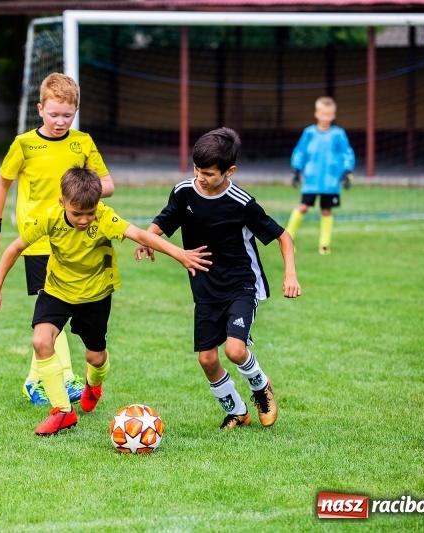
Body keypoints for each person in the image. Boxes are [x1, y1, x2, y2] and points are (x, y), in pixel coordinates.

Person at [0, 165, 211, 435]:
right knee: (41, 341)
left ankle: (94, 384)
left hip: (95, 295)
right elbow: (16, 247)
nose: (84, 220)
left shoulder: (104, 218)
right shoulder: (50, 218)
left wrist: (180, 254)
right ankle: (62, 412)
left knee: (95, 356)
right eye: (77, 213)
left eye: (89, 213)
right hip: (57, 290)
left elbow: (139, 234)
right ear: (62, 202)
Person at [135, 128, 301, 430]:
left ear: (230, 171)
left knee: (235, 350)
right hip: (205, 288)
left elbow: (283, 236)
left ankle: (261, 387)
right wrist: (148, 239)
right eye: (197, 169)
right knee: (207, 360)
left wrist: (290, 274)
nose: (200, 177)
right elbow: (164, 219)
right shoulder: (184, 191)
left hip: (241, 284)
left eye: (209, 173)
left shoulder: (241, 202)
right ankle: (237, 411)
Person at [0, 73, 115, 405]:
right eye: (54, 114)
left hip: (74, 242)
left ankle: (35, 379)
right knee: (50, 309)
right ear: (40, 109)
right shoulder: (24, 145)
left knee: (53, 316)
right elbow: (2, 183)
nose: (60, 121)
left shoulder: (82, 143)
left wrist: (77, 192)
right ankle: (66, 378)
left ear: (75, 113)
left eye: (67, 115)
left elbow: (108, 185)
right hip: (39, 242)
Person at [286, 96, 356, 255]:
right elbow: (300, 152)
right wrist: (296, 169)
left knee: (326, 210)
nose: (326, 117)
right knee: (303, 207)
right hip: (311, 180)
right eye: (323, 114)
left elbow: (347, 153)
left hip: (330, 182)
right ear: (316, 114)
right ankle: (288, 238)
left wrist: (347, 171)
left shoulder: (338, 134)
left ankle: (324, 245)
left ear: (333, 115)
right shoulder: (309, 133)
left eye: (329, 114)